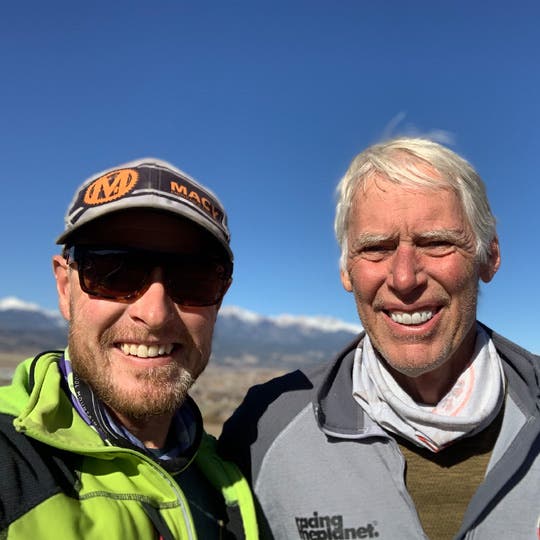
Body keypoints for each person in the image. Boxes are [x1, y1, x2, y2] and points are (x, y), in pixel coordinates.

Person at [218, 137, 540, 539]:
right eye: (375, 248)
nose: (405, 278)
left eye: (436, 242)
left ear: (489, 256)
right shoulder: (263, 428)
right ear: (346, 272)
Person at [0, 158, 258, 539]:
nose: (154, 314)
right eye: (113, 271)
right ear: (64, 287)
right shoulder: (11, 465)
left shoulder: (228, 476)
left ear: (219, 300)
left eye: (194, 278)